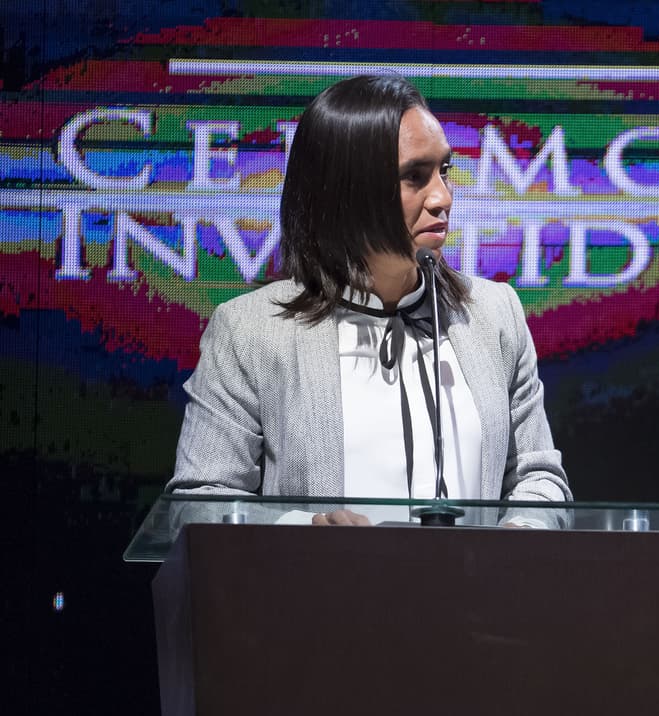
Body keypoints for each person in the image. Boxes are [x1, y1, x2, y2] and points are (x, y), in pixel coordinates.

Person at [166, 75, 571, 525]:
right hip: (322, 594)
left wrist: (514, 541)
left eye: (444, 171)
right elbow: (198, 501)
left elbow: (540, 478)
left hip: (478, 593)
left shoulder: (496, 314)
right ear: (348, 191)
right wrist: (301, 533)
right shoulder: (249, 331)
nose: (443, 197)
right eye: (414, 176)